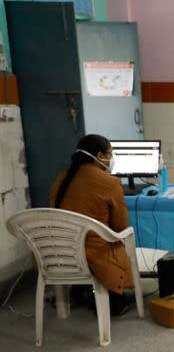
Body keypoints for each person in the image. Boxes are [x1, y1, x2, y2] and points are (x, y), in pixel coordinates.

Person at [50, 134, 135, 316]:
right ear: (99, 155)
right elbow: (121, 227)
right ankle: (111, 296)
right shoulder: (110, 182)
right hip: (93, 255)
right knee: (120, 240)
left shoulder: (61, 179)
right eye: (110, 154)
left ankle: (83, 292)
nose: (111, 159)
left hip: (61, 252)